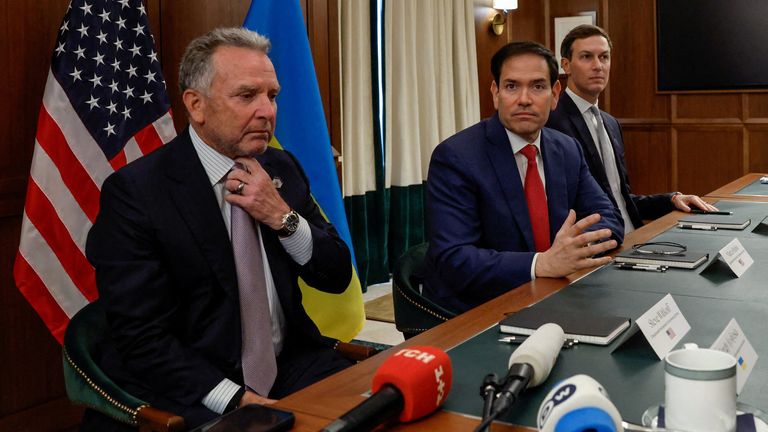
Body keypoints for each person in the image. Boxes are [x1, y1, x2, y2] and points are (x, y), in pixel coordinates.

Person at [83, 28, 354, 429]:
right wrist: (235, 398)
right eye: (247, 96)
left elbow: (336, 275)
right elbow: (140, 337)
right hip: (191, 384)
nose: (267, 111)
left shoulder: (282, 169)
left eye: (272, 96)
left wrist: (283, 218)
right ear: (196, 105)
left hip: (294, 364)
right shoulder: (137, 194)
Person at [423, 41, 624, 314]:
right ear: (495, 93)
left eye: (538, 86)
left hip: (556, 294)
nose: (524, 99)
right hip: (479, 310)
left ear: (555, 95)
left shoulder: (566, 149)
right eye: (511, 86)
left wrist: (571, 251)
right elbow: (454, 258)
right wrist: (541, 263)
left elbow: (608, 216)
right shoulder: (456, 157)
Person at [547, 24, 717, 233]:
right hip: (598, 245)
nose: (598, 65)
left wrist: (671, 199)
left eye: (604, 57)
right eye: (586, 57)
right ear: (566, 65)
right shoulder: (551, 124)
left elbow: (621, 200)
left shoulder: (610, 123)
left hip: (634, 236)